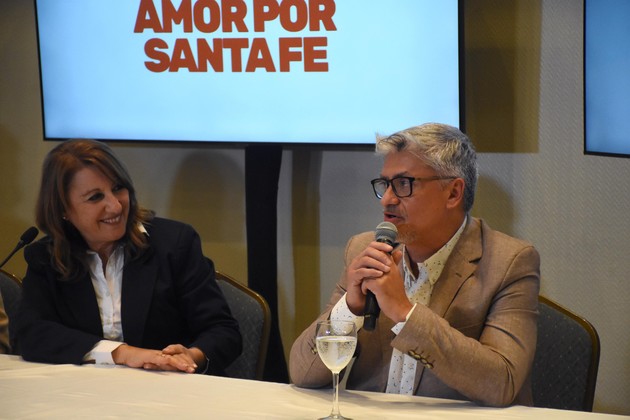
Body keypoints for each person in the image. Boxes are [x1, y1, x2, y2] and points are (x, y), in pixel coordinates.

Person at [289, 123, 540, 407]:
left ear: (453, 193)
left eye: (403, 184)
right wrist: (349, 309)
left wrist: (404, 312)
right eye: (385, 184)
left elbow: (502, 383)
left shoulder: (509, 262)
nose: (387, 199)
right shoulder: (365, 250)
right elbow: (303, 373)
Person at [15, 139, 242, 375]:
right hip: (85, 391)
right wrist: (121, 353)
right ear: (63, 209)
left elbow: (223, 331)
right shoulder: (47, 257)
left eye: (118, 188)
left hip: (171, 387)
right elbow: (30, 334)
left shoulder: (174, 243)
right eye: (95, 197)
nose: (115, 206)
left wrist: (191, 356)